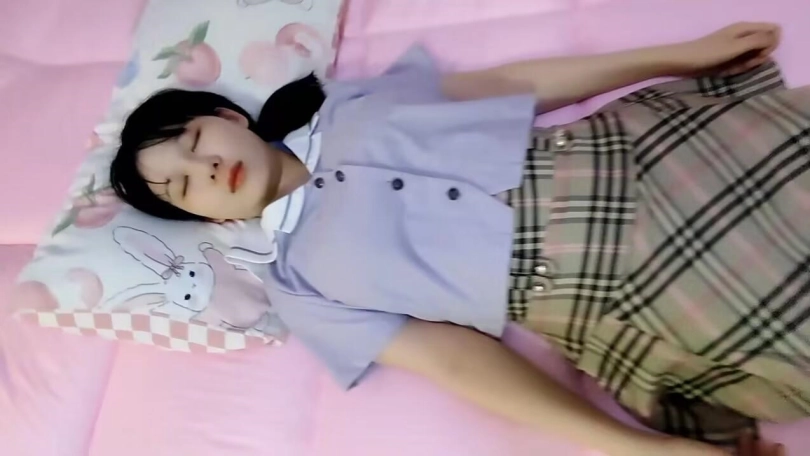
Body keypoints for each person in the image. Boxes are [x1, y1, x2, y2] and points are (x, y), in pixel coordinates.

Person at [108, 22, 805, 456]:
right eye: (183, 187)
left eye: (194, 141)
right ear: (211, 220)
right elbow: (459, 364)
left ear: (229, 116)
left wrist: (676, 56)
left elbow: (511, 84)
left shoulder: (354, 101)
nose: (204, 168)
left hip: (634, 151)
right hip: (616, 286)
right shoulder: (299, 287)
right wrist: (637, 449)